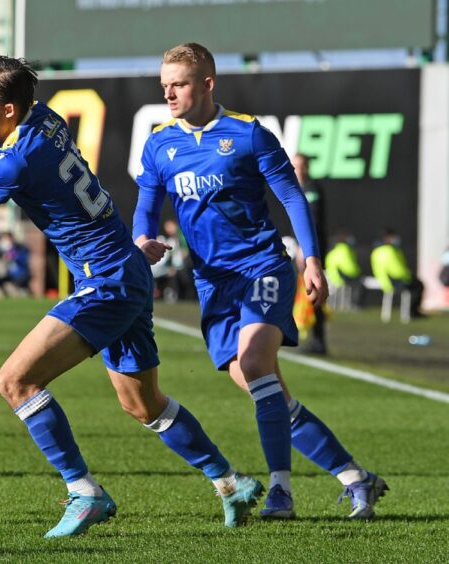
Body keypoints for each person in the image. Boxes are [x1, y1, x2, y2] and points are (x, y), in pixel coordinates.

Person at [0, 55, 264, 537]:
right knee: (142, 404)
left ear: (6, 110)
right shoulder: (44, 118)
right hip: (125, 269)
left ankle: (84, 492)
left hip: (105, 282)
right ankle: (230, 482)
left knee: (15, 381)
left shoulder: (17, 160)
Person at [132, 43, 388, 520]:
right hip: (213, 285)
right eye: (164, 84)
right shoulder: (159, 143)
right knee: (268, 392)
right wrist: (141, 239)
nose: (168, 92)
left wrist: (312, 260)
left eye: (179, 83)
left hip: (262, 268)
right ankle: (357, 479)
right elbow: (146, 207)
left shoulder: (248, 134)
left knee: (255, 363)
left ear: (207, 83)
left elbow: (291, 195)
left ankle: (280, 493)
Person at [292, 154, 328, 354]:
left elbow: (312, 220)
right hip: (304, 249)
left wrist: (304, 249)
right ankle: (308, 335)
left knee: (313, 292)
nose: (298, 170)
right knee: (303, 293)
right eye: (294, 166)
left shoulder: (311, 189)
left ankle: (318, 340)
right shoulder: (296, 188)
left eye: (300, 166)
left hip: (312, 251)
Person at [370, 228, 425, 318]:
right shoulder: (390, 251)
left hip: (384, 281)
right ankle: (412, 313)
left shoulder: (376, 251)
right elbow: (398, 271)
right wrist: (408, 276)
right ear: (387, 238)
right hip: (394, 281)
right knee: (418, 285)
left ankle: (411, 312)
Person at [324, 230, 363, 310]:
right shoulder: (346, 251)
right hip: (342, 278)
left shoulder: (332, 252)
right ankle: (354, 305)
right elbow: (352, 269)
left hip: (331, 279)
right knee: (358, 283)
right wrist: (359, 273)